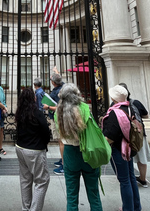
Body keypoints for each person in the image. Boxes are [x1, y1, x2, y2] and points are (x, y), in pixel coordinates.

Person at [55, 83, 102, 211]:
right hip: (87, 151)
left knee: (71, 197)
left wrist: (64, 160)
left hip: (70, 152)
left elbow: (60, 136)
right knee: (94, 195)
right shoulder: (85, 107)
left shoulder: (58, 111)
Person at [102, 85, 141, 211]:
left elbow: (111, 136)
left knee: (124, 180)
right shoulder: (130, 108)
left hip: (119, 149)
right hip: (130, 147)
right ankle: (136, 206)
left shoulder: (115, 112)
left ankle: (128, 208)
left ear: (114, 98)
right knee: (130, 177)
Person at [15, 88, 51, 211]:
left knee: (25, 179)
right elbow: (46, 131)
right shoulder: (37, 113)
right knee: (42, 181)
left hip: (20, 148)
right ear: (32, 99)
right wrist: (44, 143)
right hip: (35, 150)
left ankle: (26, 208)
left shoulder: (19, 112)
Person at [119, 83, 150, 188]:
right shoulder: (136, 103)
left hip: (124, 135)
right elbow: (146, 115)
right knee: (141, 156)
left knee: (125, 156)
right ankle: (143, 179)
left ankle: (127, 178)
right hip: (139, 133)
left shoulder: (117, 105)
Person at [42, 70, 65, 175]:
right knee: (61, 140)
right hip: (61, 117)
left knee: (61, 141)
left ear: (53, 82)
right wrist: (57, 73)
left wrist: (48, 107)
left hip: (58, 118)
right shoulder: (64, 87)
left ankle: (65, 165)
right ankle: (63, 159)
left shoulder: (56, 92)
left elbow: (60, 107)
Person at [0, 76, 7, 155]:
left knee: (1, 129)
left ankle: (0, 147)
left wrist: (5, 107)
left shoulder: (0, 88)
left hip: (1, 113)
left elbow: (3, 100)